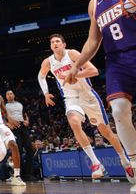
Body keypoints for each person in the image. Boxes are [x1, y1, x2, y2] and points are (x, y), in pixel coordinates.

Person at [67, 0, 136, 194]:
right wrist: (77, 65)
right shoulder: (94, 4)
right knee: (118, 110)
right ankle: (135, 167)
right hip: (116, 61)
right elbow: (93, 40)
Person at [40, 32, 135, 181]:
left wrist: (74, 75)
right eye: (52, 42)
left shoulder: (72, 54)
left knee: (106, 132)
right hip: (71, 98)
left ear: (64, 44)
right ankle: (96, 163)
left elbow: (94, 71)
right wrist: (46, 93)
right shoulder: (48, 62)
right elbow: (41, 76)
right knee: (74, 122)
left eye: (58, 41)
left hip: (87, 95)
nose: (55, 43)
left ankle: (124, 160)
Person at [4, 91, 35, 181]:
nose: (10, 95)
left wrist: (27, 121)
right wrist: (7, 124)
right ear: (6, 97)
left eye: (11, 94)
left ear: (14, 95)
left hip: (22, 127)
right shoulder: (4, 106)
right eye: (8, 94)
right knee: (19, 151)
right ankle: (18, 174)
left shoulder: (19, 105)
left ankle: (29, 174)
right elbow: (2, 118)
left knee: (30, 149)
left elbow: (25, 114)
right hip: (13, 129)